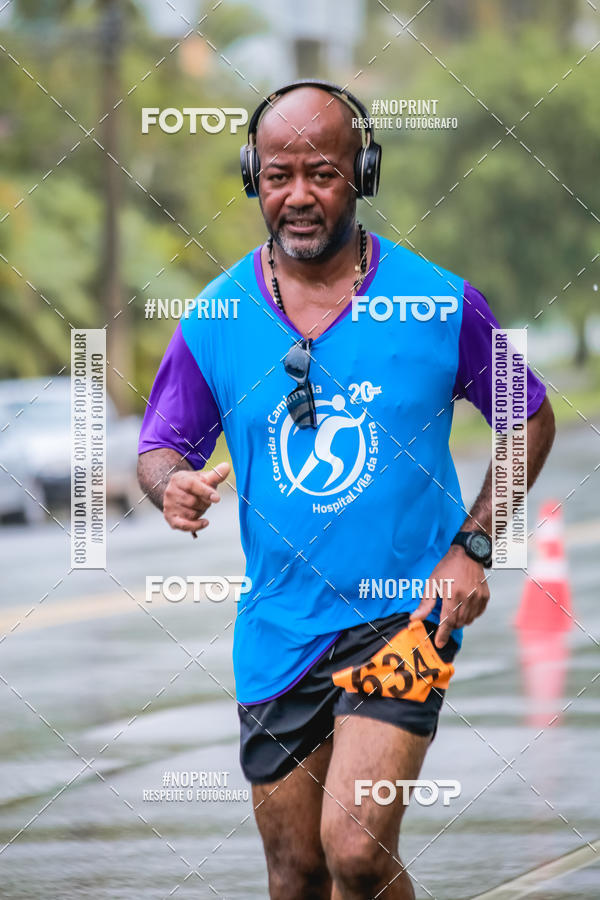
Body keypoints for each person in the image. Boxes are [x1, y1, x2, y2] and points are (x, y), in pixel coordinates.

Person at [137, 80, 555, 900]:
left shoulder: (437, 301)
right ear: (252, 175)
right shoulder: (216, 317)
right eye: (277, 173)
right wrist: (170, 486)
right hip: (280, 627)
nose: (298, 195)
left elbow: (529, 418)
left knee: (356, 852)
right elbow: (159, 446)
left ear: (362, 173)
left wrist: (472, 547)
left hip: (406, 614)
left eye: (322, 173)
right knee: (297, 873)